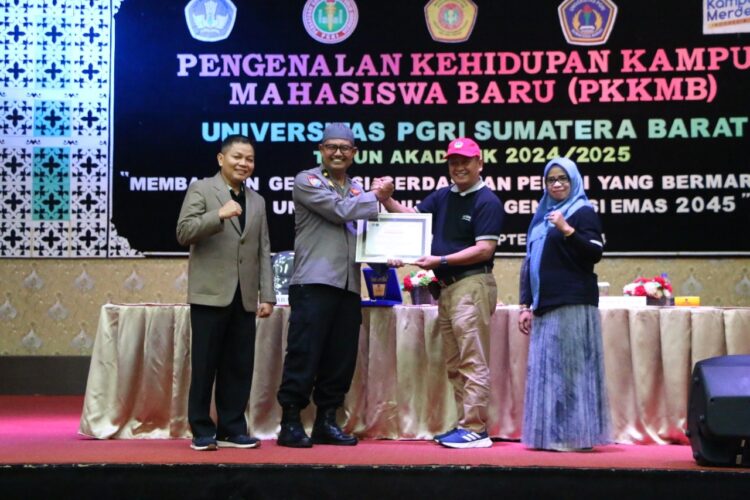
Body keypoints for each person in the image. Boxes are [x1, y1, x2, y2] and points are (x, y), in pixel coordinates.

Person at [276, 123, 394, 448]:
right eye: (332, 147)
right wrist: (378, 197)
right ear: (321, 150)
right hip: (314, 282)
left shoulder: (358, 190)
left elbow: (366, 237)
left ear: (354, 154)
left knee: (340, 359)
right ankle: (290, 422)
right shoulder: (307, 180)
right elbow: (339, 211)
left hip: (349, 287)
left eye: (345, 148)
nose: (338, 152)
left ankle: (326, 421)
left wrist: (387, 257)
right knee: (304, 353)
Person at [382, 137, 504, 449]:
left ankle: (476, 428)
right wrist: (386, 201)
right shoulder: (443, 196)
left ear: (480, 163)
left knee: (473, 360)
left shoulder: (487, 201)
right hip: (447, 289)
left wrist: (441, 260)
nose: (459, 167)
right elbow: (413, 220)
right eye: (453, 162)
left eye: (465, 161)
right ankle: (466, 424)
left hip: (472, 285)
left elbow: (484, 248)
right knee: (455, 362)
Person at [176, 134, 275, 451]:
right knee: (205, 364)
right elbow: (183, 232)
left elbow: (263, 249)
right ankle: (202, 429)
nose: (244, 163)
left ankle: (232, 428)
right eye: (237, 157)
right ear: (221, 159)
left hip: (244, 297)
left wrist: (267, 295)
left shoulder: (257, 200)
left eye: (249, 159)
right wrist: (217, 215)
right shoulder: (202, 189)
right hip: (210, 294)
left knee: (238, 365)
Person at [518, 157, 611, 452]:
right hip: (544, 305)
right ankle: (551, 435)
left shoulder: (582, 212)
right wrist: (525, 304)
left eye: (563, 179)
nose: (557, 184)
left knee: (570, 373)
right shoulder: (541, 216)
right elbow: (529, 263)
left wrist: (568, 230)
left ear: (574, 182)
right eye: (551, 180)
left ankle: (576, 436)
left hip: (572, 301)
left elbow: (594, 253)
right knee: (548, 373)